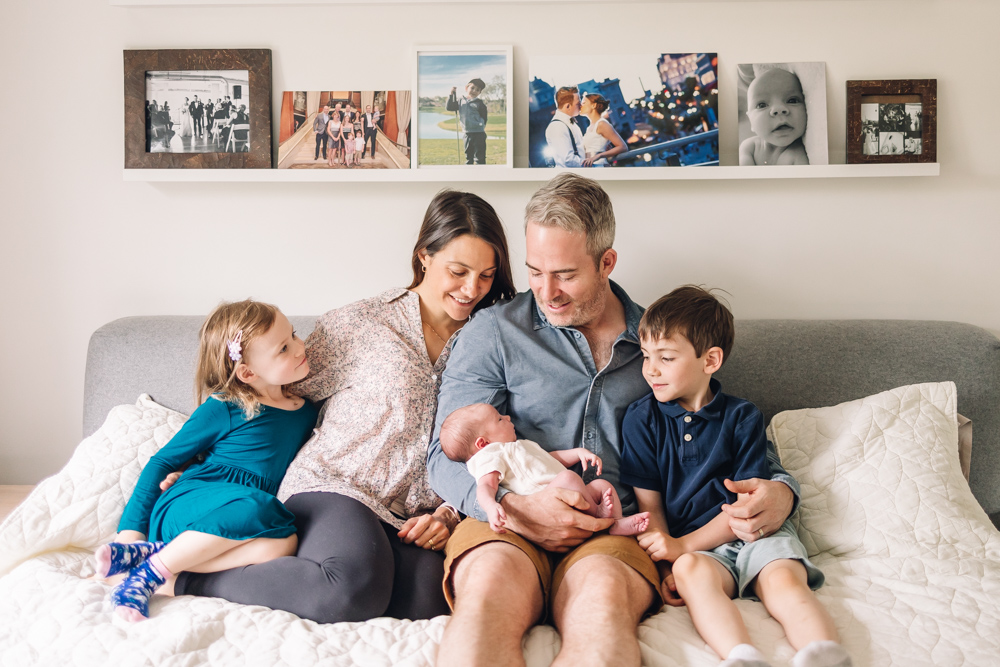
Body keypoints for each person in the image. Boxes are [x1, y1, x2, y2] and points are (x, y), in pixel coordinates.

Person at [428, 173, 800, 666]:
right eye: (535, 270)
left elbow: (731, 432)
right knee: (483, 607)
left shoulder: (660, 344)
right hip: (509, 525)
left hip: (615, 530)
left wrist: (781, 490)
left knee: (601, 613)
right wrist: (519, 507)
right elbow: (443, 458)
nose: (546, 291)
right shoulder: (493, 332)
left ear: (607, 262)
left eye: (565, 274)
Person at [169, 190, 518, 625]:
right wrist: (208, 463)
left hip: (409, 518)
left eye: (486, 275)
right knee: (349, 590)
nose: (472, 289)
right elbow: (273, 397)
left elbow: (494, 447)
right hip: (334, 487)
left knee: (434, 599)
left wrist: (448, 513)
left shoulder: (494, 344)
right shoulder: (361, 324)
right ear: (424, 256)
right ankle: (187, 580)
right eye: (458, 271)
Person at [622, 286, 850, 667]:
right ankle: (742, 657)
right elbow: (651, 509)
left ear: (710, 360)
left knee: (782, 580)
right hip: (700, 551)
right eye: (646, 356)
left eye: (666, 357)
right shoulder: (640, 419)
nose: (651, 370)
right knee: (692, 574)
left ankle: (823, 653)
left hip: (753, 533)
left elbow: (748, 509)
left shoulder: (742, 417)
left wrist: (683, 544)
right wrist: (670, 560)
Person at [97, 301, 319, 622]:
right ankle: (146, 572)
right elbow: (162, 463)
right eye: (284, 348)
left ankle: (150, 561)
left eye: (295, 336)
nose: (301, 347)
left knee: (284, 542)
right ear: (247, 372)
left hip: (245, 521)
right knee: (258, 506)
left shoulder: (307, 410)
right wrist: (130, 531)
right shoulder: (226, 407)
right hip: (190, 506)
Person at [439, 403, 650, 536]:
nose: (508, 418)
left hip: (571, 494)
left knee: (602, 486)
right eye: (500, 419)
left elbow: (548, 460)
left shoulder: (520, 446)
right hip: (546, 502)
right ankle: (601, 516)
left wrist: (577, 453)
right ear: (483, 443)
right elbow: (486, 485)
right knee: (569, 478)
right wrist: (491, 506)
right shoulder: (490, 456)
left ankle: (617, 523)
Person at [739, 68, 809, 166]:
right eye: (762, 105)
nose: (778, 109)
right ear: (751, 121)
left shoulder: (797, 156)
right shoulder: (749, 148)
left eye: (792, 100)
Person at [447, 78, 489, 165]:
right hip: (467, 133)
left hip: (479, 134)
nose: (474, 91)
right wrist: (451, 94)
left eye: (477, 90)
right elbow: (450, 107)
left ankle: (481, 175)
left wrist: (479, 125)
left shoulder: (480, 103)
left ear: (479, 92)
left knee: (479, 157)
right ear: (467, 88)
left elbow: (484, 118)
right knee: (468, 157)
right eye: (472, 88)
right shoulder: (460, 101)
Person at [580, 93, 627, 167]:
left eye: (583, 103)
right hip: (591, 167)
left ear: (593, 105)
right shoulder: (589, 127)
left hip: (599, 166)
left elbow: (623, 147)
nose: (580, 105)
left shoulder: (602, 124)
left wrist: (599, 155)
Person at [545, 86, 585, 167]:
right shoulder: (557, 126)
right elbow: (568, 160)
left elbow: (580, 149)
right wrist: (594, 166)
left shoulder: (569, 122)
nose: (581, 105)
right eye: (578, 103)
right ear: (568, 106)